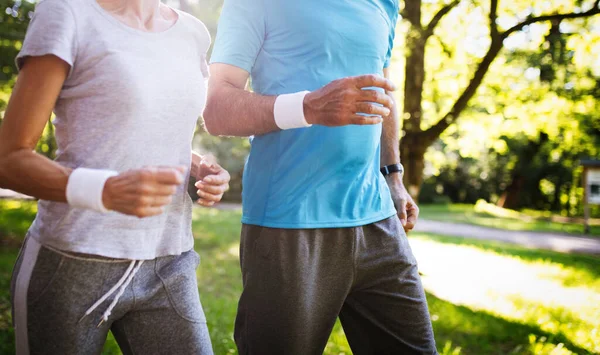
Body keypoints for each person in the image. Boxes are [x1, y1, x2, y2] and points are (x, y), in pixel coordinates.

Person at [205, 0, 438, 354]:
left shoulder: (385, 4)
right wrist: (308, 107)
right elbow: (217, 109)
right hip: (289, 223)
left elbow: (382, 90)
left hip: (377, 221)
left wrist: (392, 174)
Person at [0, 0, 230, 353]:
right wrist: (104, 191)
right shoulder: (68, 13)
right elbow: (9, 158)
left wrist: (198, 168)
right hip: (73, 262)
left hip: (169, 258)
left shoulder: (192, 32)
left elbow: (152, 132)